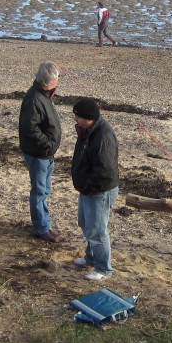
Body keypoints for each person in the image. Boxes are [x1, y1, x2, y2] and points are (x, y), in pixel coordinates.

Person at [70, 98, 119, 281]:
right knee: (85, 224)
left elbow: (105, 171)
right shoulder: (88, 131)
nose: (75, 119)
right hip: (87, 189)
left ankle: (103, 268)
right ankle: (91, 256)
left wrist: (90, 187)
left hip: (99, 191)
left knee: (97, 231)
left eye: (78, 116)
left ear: (88, 118)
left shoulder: (102, 136)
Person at [18, 61, 63, 243]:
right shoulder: (35, 98)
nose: (59, 81)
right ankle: (41, 228)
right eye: (57, 79)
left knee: (44, 190)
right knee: (39, 191)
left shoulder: (43, 95)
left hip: (45, 153)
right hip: (39, 153)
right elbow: (30, 128)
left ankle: (44, 225)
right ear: (48, 81)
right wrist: (46, 144)